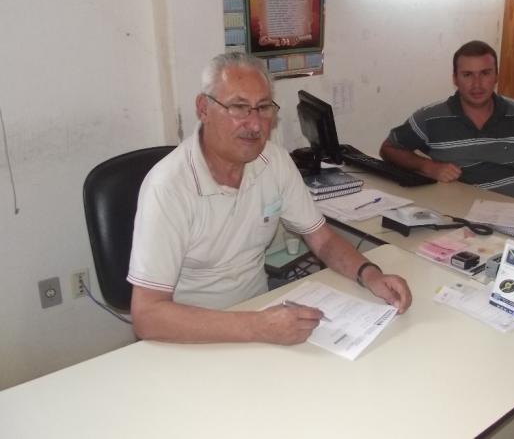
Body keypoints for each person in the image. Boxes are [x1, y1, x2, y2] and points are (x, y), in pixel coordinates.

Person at [128, 52, 412, 345]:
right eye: (239, 107)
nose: (255, 124)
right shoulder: (168, 186)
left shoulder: (273, 161)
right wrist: (257, 326)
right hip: (191, 333)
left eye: (263, 108)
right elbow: (147, 315)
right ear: (204, 109)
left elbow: (322, 239)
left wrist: (370, 275)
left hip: (258, 313)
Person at [379, 40, 514, 206]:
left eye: (485, 73)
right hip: (459, 220)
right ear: (455, 79)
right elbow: (389, 149)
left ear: (496, 76)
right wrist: (427, 166)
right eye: (467, 75)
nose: (477, 84)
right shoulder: (431, 118)